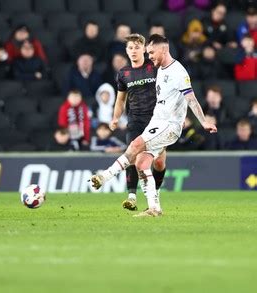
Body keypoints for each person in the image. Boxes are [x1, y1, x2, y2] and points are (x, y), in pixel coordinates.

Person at [90, 34, 217, 217]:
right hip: (156, 121)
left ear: (164, 49)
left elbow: (191, 99)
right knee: (142, 162)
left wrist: (203, 121)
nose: (149, 57)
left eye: (152, 52)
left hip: (169, 124)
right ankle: (154, 208)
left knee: (135, 146)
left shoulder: (178, 72)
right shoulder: (160, 69)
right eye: (148, 53)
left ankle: (104, 177)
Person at [107, 34, 166, 211]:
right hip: (135, 121)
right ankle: (132, 196)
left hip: (157, 120)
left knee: (159, 163)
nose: (133, 51)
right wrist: (116, 118)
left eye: (137, 47)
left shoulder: (154, 67)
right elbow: (120, 100)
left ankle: (155, 194)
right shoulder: (123, 73)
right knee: (132, 155)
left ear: (144, 49)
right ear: (126, 51)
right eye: (130, 48)